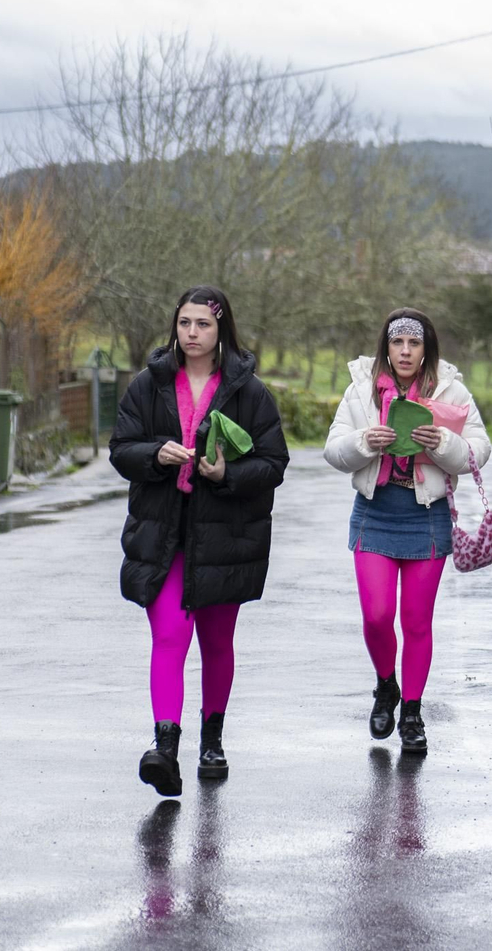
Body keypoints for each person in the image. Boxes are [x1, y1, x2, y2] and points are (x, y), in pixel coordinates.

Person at [110, 285, 288, 797]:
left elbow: (273, 463)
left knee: (215, 643)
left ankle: (212, 738)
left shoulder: (248, 392)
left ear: (221, 329)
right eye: (184, 323)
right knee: (168, 636)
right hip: (162, 533)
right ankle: (164, 748)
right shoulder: (149, 385)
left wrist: (226, 472)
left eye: (203, 325)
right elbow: (121, 448)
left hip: (225, 536)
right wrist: (154, 455)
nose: (192, 333)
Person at [323, 308, 491, 753]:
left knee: (417, 621)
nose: (404, 351)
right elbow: (332, 449)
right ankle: (386, 686)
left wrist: (446, 444)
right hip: (374, 512)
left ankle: (412, 712)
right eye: (397, 342)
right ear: (386, 346)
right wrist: (364, 443)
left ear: (426, 348)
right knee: (377, 616)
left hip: (426, 516)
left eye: (414, 343)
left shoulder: (451, 390)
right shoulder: (360, 389)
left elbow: (480, 447)